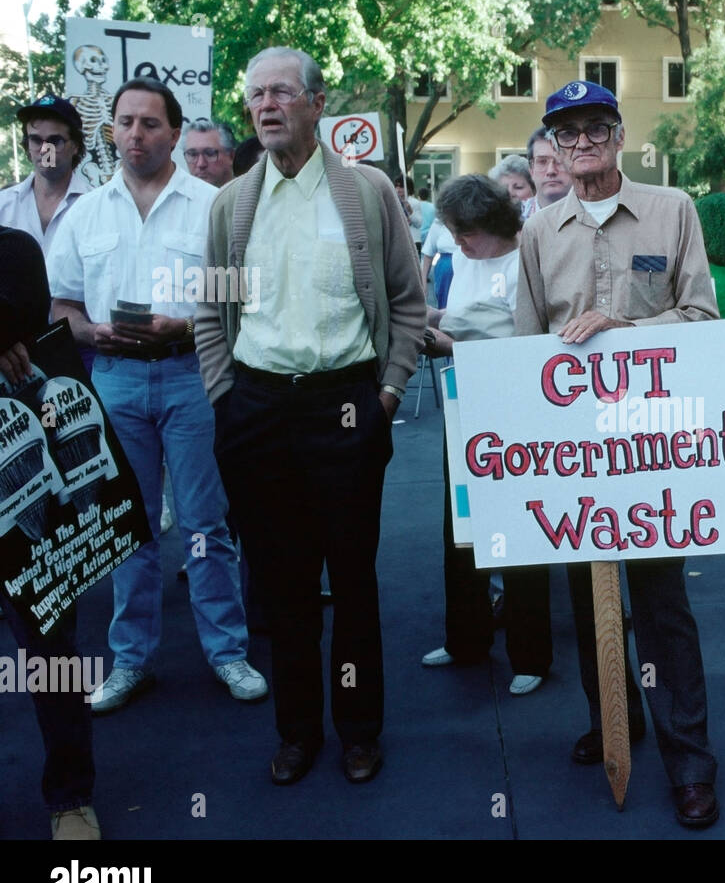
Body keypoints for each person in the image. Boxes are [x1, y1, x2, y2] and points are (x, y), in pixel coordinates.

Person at [196, 47, 425, 786]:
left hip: (348, 407)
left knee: (352, 582)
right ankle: (297, 732)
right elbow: (210, 312)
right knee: (282, 586)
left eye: (282, 93)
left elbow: (409, 305)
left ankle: (358, 729)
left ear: (317, 105)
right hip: (257, 411)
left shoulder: (366, 193)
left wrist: (386, 394)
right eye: (255, 95)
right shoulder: (233, 204)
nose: (265, 106)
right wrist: (225, 399)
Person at [515, 80, 721, 828]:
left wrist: (624, 329)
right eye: (565, 136)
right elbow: (525, 343)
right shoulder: (538, 229)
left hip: (654, 438)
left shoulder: (673, 210)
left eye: (593, 129)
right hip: (574, 448)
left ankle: (690, 760)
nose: (580, 145)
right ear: (553, 149)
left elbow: (702, 315)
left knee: (663, 604)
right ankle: (616, 721)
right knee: (588, 598)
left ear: (619, 134)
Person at [47, 77, 264, 715]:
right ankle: (131, 660)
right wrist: (90, 331)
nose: (135, 134)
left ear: (174, 131)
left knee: (205, 523)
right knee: (127, 526)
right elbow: (61, 302)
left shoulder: (210, 206)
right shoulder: (85, 213)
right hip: (113, 378)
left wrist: (186, 324)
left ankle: (228, 652)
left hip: (191, 372)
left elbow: (235, 300)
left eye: (149, 123)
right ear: (109, 130)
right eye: (124, 122)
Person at [418, 174, 552, 696]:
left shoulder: (524, 262)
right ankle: (465, 638)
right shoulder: (470, 261)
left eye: (463, 232)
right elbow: (462, 321)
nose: (457, 243)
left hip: (518, 408)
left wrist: (447, 342)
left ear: (490, 224)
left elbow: (527, 345)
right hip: (466, 404)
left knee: (522, 530)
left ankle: (531, 655)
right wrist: (427, 320)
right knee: (461, 525)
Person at [0, 226, 99, 839]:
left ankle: (70, 797)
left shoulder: (11, 248)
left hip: (22, 481)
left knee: (48, 643)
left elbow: (25, 302)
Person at [0, 94, 92, 255]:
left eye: (54, 141)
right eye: (36, 140)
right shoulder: (3, 206)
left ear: (75, 145)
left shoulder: (95, 205)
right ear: (27, 144)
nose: (45, 150)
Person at [523, 126, 572, 219]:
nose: (551, 171)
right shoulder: (513, 220)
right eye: (542, 161)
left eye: (559, 161)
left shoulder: (594, 216)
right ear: (531, 170)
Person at [181, 118, 236, 188]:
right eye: (193, 154)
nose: (201, 164)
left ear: (231, 156)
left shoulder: (249, 195)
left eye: (210, 154)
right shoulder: (176, 197)